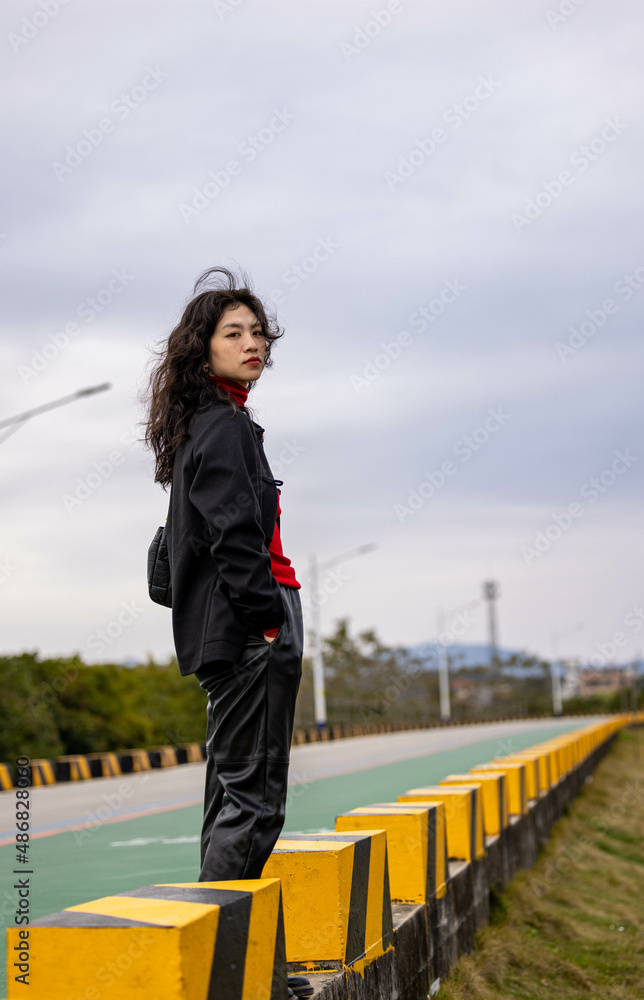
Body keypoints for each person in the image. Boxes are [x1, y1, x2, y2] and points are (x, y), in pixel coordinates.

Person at [142, 266, 310, 998]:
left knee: (231, 796)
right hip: (251, 627)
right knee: (253, 799)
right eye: (232, 333)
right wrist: (267, 618)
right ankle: (228, 977)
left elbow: (173, 553)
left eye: (257, 332)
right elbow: (237, 533)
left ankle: (247, 972)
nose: (252, 344)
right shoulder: (225, 427)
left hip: (232, 629)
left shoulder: (200, 430)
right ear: (201, 348)